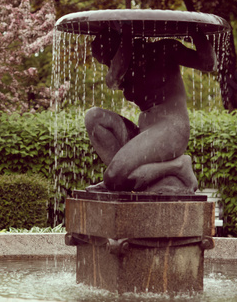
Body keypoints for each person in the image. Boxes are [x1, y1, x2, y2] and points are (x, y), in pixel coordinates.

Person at [85, 24, 217, 194]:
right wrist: (126, 37)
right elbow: (115, 76)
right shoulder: (122, 71)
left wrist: (194, 30)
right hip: (145, 134)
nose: (109, 65)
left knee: (113, 177)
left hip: (171, 130)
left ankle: (178, 166)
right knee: (93, 117)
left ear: (119, 49)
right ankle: (120, 177)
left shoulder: (164, 49)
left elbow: (208, 64)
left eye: (109, 59)